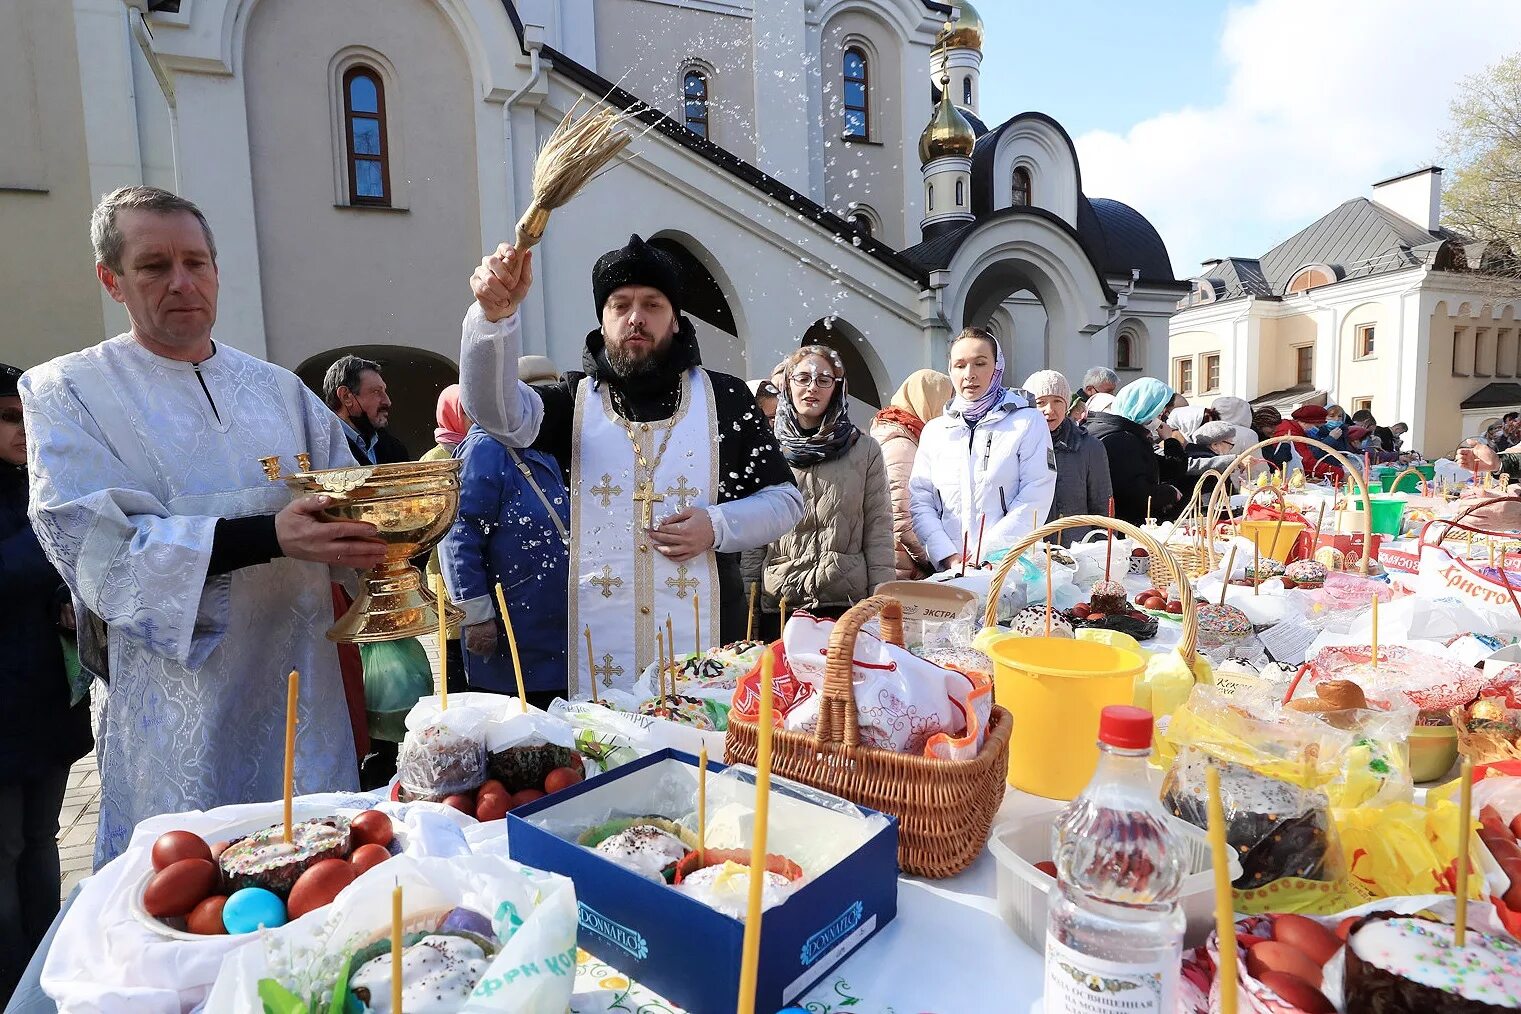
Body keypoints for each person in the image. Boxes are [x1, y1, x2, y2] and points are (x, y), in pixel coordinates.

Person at [20, 186, 386, 865]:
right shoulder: (66, 393)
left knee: (318, 884)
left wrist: (385, 547)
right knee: (189, 897)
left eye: (197, 261)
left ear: (218, 270)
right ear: (112, 280)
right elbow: (99, 551)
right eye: (154, 265)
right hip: (178, 710)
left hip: (300, 692)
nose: (182, 282)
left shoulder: (279, 390)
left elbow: (353, 502)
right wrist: (271, 536)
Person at [461, 235, 801, 696]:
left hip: (706, 636)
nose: (635, 318)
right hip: (594, 651)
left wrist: (717, 525)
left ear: (676, 320)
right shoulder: (574, 402)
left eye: (652, 304)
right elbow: (497, 414)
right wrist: (493, 319)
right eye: (620, 305)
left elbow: (785, 502)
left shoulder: (725, 398)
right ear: (602, 322)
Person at [0, 364, 92, 1002]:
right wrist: (60, 553)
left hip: (41, 701)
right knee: (4, 848)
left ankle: (42, 964)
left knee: (41, 838)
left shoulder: (29, 485)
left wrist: (63, 591)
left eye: (27, 418)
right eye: (9, 418)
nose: (23, 432)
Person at [442, 362, 570, 707]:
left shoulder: (544, 447)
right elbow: (459, 532)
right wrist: (477, 616)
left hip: (557, 630)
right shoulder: (486, 448)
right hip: (513, 633)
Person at [749, 347, 894, 636]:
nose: (812, 387)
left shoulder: (864, 450)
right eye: (802, 378)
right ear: (787, 385)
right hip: (780, 605)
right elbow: (754, 536)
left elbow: (879, 531)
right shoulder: (768, 449)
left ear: (837, 388)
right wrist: (749, 606)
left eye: (823, 380)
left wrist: (880, 604)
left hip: (845, 604)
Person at [910, 329, 1057, 569]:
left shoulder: (1026, 422)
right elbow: (920, 500)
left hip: (1007, 566)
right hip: (949, 569)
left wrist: (990, 553)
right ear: (950, 370)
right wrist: (946, 555)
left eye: (980, 363)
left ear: (997, 367)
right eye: (960, 365)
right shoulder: (936, 431)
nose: (969, 374)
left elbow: (1036, 493)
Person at [870, 370, 954, 578]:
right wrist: (940, 558)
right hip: (903, 567)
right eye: (946, 402)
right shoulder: (902, 445)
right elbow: (902, 518)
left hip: (899, 561)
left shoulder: (901, 434)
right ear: (929, 401)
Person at [1024, 369, 1111, 545]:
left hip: (1077, 549)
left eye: (1057, 401)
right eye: (1041, 402)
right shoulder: (1018, 446)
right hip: (1031, 551)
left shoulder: (1089, 447)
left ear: (1067, 404)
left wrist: (1101, 551)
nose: (1050, 410)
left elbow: (1102, 506)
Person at [1085, 377, 1185, 526]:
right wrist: (1168, 493)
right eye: (1159, 413)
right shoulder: (1123, 439)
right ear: (1146, 408)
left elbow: (1168, 469)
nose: (1161, 419)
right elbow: (1134, 494)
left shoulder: (1125, 433)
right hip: (1125, 530)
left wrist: (1170, 441)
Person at [323, 354, 410, 465]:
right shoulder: (320, 449)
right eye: (376, 392)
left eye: (384, 391)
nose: (387, 401)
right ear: (346, 396)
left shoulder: (395, 449)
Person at [1181, 419, 1239, 508]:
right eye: (1230, 444)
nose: (1231, 448)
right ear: (1215, 445)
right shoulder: (1211, 465)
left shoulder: (1193, 455)